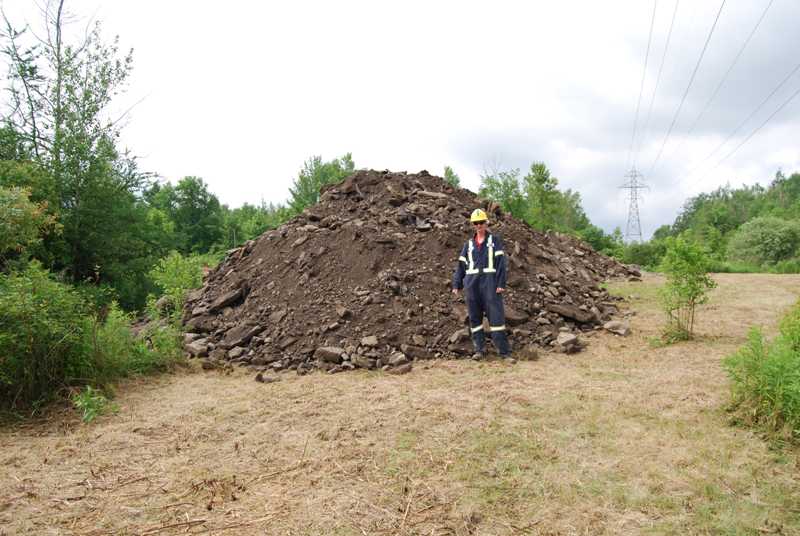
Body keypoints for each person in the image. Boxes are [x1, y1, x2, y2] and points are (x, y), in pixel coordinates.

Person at [451, 208, 512, 359]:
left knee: (496, 317)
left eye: (481, 222)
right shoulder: (468, 245)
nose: (479, 225)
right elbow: (461, 266)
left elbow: (500, 264)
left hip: (490, 284)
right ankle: (480, 350)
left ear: (486, 223)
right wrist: (457, 284)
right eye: (476, 223)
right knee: (475, 318)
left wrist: (501, 283)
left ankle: (504, 352)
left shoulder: (494, 241)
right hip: (472, 285)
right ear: (473, 225)